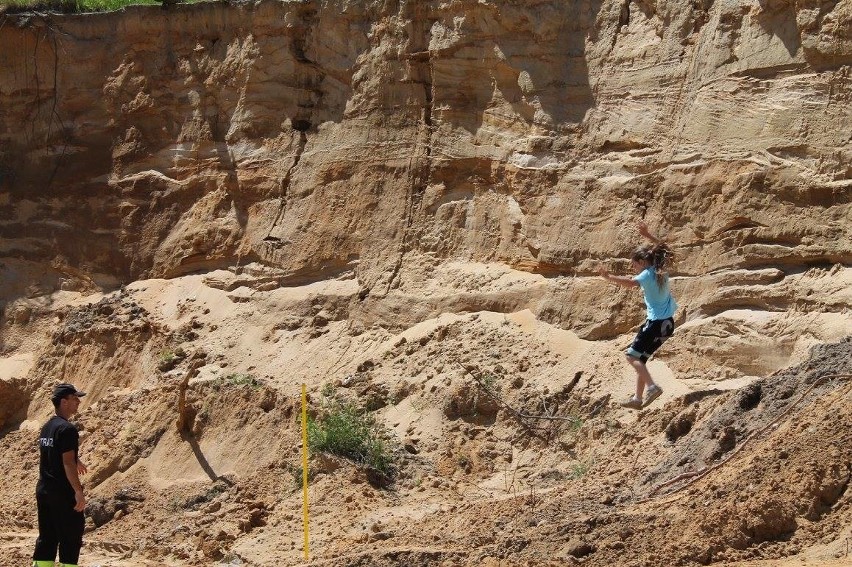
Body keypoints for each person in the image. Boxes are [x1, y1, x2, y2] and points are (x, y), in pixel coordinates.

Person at [599, 221, 678, 410]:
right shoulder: (661, 269)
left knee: (630, 356)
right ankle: (637, 398)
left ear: (642, 262)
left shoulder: (646, 275)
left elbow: (631, 283)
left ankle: (652, 387)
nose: (633, 268)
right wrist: (648, 234)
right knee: (640, 359)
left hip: (656, 323)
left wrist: (608, 278)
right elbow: (665, 248)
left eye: (634, 265)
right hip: (668, 324)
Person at [33, 383, 88, 567]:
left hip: (44, 490)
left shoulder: (48, 427)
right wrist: (78, 491)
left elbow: (55, 452)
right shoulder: (68, 429)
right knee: (71, 537)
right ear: (64, 402)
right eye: (74, 398)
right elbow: (67, 462)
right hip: (62, 492)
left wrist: (76, 459)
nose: (78, 402)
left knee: (47, 537)